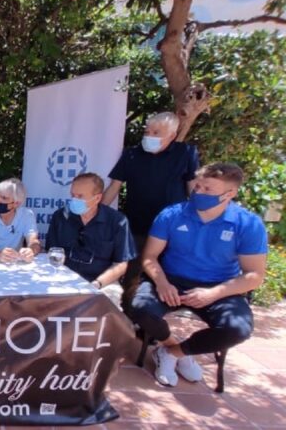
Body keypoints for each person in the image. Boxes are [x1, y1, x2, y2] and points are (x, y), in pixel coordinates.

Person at [130, 163, 267, 387]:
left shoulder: (248, 224)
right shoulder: (172, 214)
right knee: (139, 309)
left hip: (220, 286)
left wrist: (213, 294)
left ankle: (174, 353)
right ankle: (170, 345)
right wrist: (162, 283)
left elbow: (254, 275)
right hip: (171, 278)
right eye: (197, 186)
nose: (199, 192)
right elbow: (150, 257)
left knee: (238, 329)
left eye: (207, 189)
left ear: (230, 193)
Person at [101, 112, 199, 309]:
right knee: (132, 274)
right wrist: (99, 213)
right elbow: (114, 186)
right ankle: (128, 317)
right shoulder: (132, 154)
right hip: (138, 224)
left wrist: (198, 219)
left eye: (156, 132)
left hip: (173, 229)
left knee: (166, 275)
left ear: (172, 135)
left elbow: (193, 188)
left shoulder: (186, 153)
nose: (149, 135)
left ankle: (156, 321)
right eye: (147, 131)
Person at [46, 173, 136, 305]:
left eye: (80, 196)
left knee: (108, 301)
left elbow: (121, 264)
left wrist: (96, 284)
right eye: (73, 195)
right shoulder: (61, 217)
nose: (74, 200)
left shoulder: (117, 222)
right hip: (64, 279)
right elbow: (52, 252)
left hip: (101, 281)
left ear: (97, 198)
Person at [0, 178, 41, 264]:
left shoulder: (27, 214)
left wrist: (31, 251)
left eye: (4, 198)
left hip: (16, 263)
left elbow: (34, 242)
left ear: (17, 203)